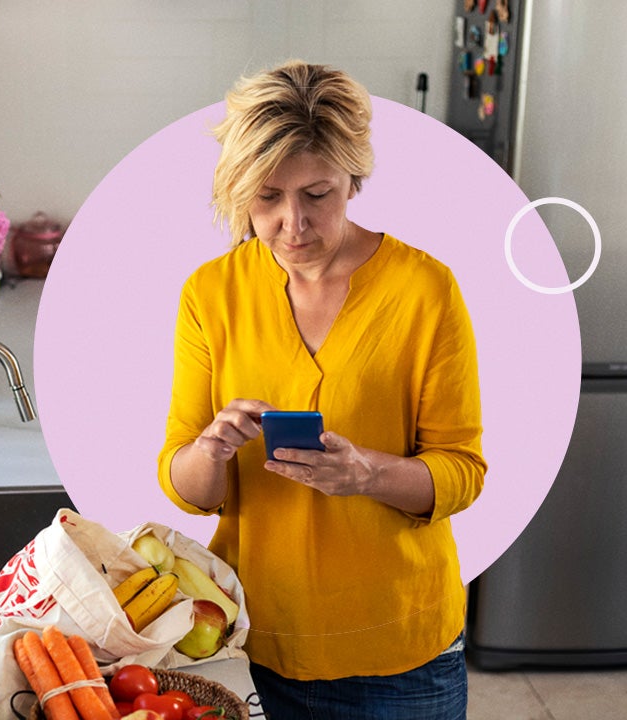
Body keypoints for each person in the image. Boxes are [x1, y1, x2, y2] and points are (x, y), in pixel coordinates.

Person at [157, 60, 486, 719]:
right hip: (252, 642)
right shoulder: (210, 294)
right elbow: (186, 488)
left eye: (317, 194)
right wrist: (212, 450)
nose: (293, 224)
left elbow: (462, 472)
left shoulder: (426, 290)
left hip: (401, 654)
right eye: (267, 198)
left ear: (353, 180)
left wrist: (369, 475)